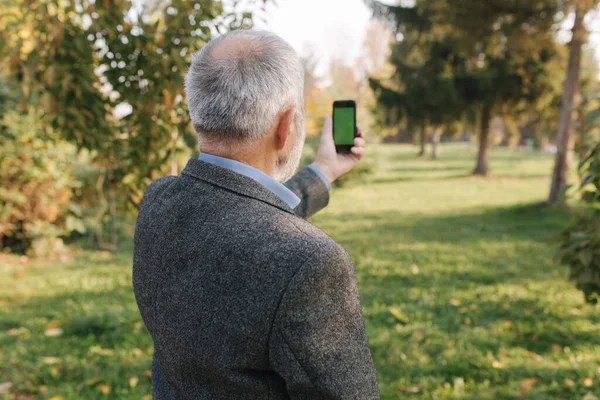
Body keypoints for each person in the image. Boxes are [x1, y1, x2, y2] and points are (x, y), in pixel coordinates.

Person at [133, 30, 380, 399]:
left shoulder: (159, 202)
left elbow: (241, 214)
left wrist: (324, 171)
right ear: (286, 126)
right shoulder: (311, 264)